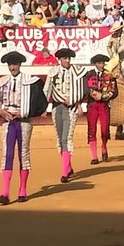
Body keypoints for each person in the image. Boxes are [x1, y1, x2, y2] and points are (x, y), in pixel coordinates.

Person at [0, 51, 41, 204]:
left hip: (24, 121)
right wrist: (0, 110)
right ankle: (5, 192)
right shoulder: (2, 81)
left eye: (14, 64)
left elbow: (38, 102)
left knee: (23, 155)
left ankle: (22, 191)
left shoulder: (30, 81)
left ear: (20, 65)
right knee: (7, 155)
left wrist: (25, 111)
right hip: (8, 122)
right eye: (10, 64)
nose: (12, 67)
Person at [46, 48, 88, 182]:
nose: (68, 61)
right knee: (60, 139)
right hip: (57, 107)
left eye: (69, 58)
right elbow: (47, 89)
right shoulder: (53, 72)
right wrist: (42, 108)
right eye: (65, 58)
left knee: (66, 138)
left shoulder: (77, 71)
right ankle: (68, 167)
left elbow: (83, 88)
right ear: (60, 59)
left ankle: (64, 172)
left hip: (72, 108)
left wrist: (79, 102)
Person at [85, 53, 117, 164]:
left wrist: (105, 96)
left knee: (104, 130)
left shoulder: (109, 75)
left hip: (104, 105)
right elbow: (85, 89)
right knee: (92, 130)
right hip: (92, 105)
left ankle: (104, 147)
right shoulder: (89, 74)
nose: (102, 65)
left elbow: (115, 92)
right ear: (95, 64)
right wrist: (94, 94)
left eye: (103, 63)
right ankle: (94, 156)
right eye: (99, 63)